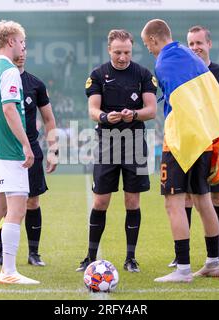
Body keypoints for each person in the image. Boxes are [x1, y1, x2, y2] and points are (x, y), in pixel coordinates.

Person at [141, 19, 219, 282]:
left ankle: (182, 269)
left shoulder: (164, 61)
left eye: (146, 44)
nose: (148, 49)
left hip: (183, 139)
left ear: (153, 39)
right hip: (205, 137)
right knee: (202, 200)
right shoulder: (187, 54)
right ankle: (212, 262)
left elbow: (177, 101)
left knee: (173, 203)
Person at [76, 29, 157, 273]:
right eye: (118, 52)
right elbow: (93, 109)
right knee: (101, 201)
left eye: (127, 52)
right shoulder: (98, 74)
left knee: (132, 201)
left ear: (132, 50)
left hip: (135, 142)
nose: (123, 57)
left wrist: (133, 114)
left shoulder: (143, 74)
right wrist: (103, 116)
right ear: (109, 50)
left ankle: (130, 258)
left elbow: (151, 110)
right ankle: (90, 257)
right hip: (107, 142)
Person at [166, 25, 219, 268]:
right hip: (189, 145)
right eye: (191, 44)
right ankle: (182, 256)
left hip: (216, 146)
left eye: (199, 43)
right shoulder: (182, 72)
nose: (195, 48)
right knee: (186, 199)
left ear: (209, 44)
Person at [0, 20, 39, 285]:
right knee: (17, 208)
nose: (23, 47)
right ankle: (9, 271)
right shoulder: (9, 70)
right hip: (8, 149)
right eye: (22, 42)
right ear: (11, 41)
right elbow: (10, 109)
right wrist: (25, 144)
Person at [0, 48, 58, 268]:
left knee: (33, 201)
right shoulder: (0, 79)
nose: (22, 53)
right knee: (3, 205)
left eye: (25, 48)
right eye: (18, 47)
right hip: (6, 151)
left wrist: (53, 149)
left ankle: (34, 254)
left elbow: (48, 119)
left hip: (31, 151)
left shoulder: (36, 84)